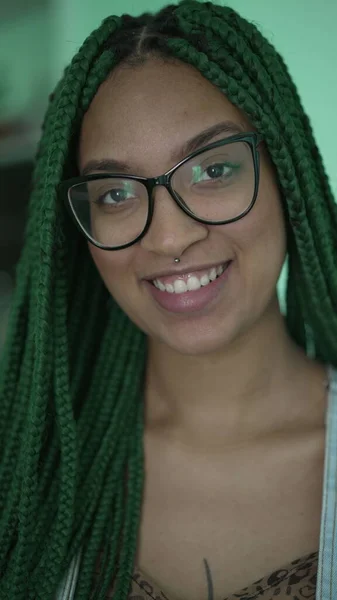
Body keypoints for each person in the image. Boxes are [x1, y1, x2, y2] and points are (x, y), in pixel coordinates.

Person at [0, 1, 336, 599]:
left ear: (286, 172)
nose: (170, 237)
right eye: (117, 193)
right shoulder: (26, 465)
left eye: (213, 170)